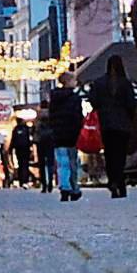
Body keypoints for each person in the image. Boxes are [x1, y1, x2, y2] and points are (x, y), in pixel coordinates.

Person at [89, 55, 136, 198]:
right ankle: (120, 182)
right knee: (120, 155)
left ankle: (112, 181)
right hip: (122, 124)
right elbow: (131, 104)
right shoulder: (125, 83)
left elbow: (93, 101)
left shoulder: (99, 83)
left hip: (106, 124)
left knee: (109, 155)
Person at [49, 72, 84, 202]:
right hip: (72, 135)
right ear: (69, 82)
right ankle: (74, 188)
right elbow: (78, 117)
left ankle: (64, 187)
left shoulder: (54, 98)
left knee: (62, 163)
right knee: (73, 162)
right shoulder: (74, 98)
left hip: (58, 135)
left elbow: (51, 117)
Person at [34, 101, 56, 193]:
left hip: (40, 141)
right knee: (50, 163)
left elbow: (36, 129)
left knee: (41, 164)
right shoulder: (52, 115)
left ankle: (44, 185)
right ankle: (50, 182)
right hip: (50, 140)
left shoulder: (38, 116)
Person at [9, 117, 33, 189]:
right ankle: (25, 180)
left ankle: (21, 181)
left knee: (20, 164)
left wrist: (11, 149)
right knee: (25, 165)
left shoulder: (15, 129)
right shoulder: (26, 128)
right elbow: (29, 139)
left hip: (18, 149)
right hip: (25, 149)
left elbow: (13, 140)